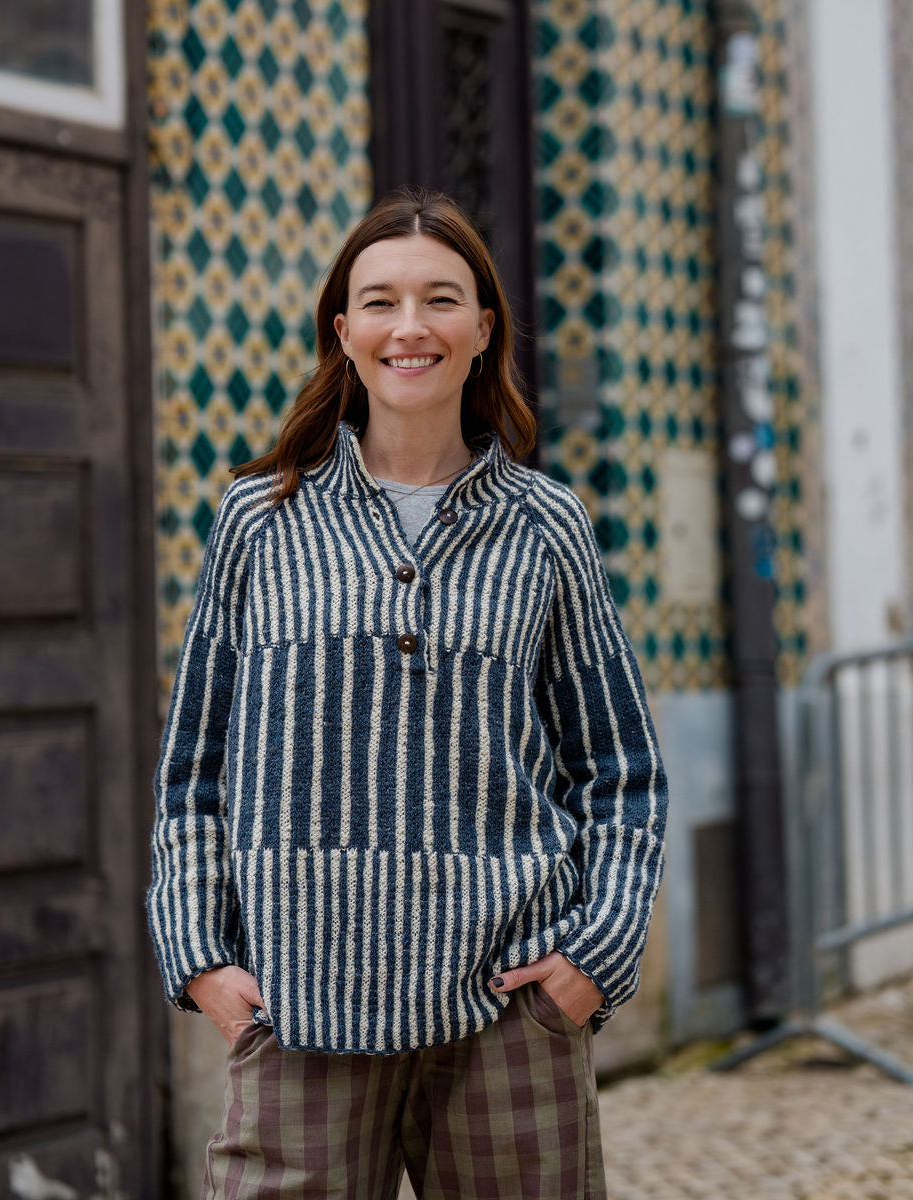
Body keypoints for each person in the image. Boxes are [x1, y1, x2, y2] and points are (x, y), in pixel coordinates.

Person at [147, 187, 668, 1200]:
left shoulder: (545, 527)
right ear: (343, 333)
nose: (410, 327)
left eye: (441, 299)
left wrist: (592, 956)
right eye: (380, 302)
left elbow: (622, 766)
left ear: (482, 330)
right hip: (298, 1002)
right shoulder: (259, 521)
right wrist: (203, 959)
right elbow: (193, 767)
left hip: (506, 1005)